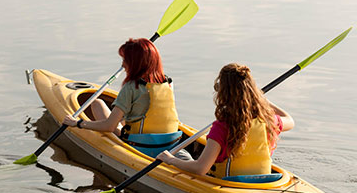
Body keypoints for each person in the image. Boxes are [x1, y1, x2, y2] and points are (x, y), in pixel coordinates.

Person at [157, 63, 294, 178]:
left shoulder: (222, 126)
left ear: (223, 94)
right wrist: (260, 99)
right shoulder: (268, 121)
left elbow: (200, 169)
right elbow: (289, 120)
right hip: (263, 182)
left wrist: (170, 160)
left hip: (230, 183)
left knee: (180, 154)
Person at [62, 38, 179, 142]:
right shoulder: (167, 82)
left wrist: (78, 123)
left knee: (97, 104)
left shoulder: (132, 87)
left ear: (135, 63)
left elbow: (110, 127)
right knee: (104, 107)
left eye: (125, 60)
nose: (123, 64)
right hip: (170, 142)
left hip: (141, 144)